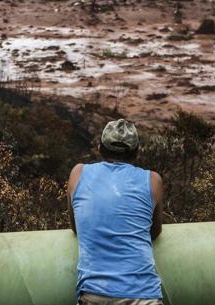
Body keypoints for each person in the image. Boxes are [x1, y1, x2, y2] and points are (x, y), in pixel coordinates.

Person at [67, 119, 164, 305]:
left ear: (99, 147)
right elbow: (155, 232)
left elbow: (76, 227)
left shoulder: (78, 173)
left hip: (93, 293)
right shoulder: (153, 180)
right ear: (137, 152)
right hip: (142, 294)